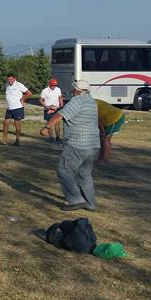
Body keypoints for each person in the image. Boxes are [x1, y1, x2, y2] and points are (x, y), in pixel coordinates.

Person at [40, 80, 100, 211]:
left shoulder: (76, 101)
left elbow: (59, 116)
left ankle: (75, 200)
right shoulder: (92, 101)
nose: (72, 91)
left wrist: (46, 127)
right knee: (85, 174)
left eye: (74, 89)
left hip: (77, 144)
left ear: (77, 90)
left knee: (64, 171)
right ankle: (90, 204)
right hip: (94, 145)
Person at [2, 74, 32, 146]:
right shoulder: (7, 86)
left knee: (16, 124)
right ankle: (4, 140)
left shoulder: (19, 85)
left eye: (11, 79)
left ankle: (17, 141)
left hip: (18, 108)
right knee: (5, 123)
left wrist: (22, 99)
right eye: (8, 79)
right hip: (9, 108)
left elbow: (29, 93)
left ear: (15, 78)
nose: (10, 81)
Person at [95, 98, 125, 164]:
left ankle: (105, 159)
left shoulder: (91, 105)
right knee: (102, 138)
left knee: (106, 138)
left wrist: (102, 130)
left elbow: (97, 120)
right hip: (107, 119)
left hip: (115, 118)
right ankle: (101, 157)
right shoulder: (91, 102)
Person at [39, 78, 64, 143]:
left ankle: (58, 138)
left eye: (55, 85)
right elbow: (40, 100)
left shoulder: (58, 89)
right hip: (48, 109)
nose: (54, 86)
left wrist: (61, 103)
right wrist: (47, 107)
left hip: (57, 109)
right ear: (49, 84)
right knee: (49, 124)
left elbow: (60, 97)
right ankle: (51, 138)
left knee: (57, 123)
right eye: (52, 85)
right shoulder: (44, 91)